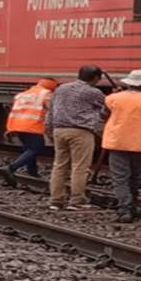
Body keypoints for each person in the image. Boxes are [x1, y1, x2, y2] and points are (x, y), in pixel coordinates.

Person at [101, 69, 141, 222]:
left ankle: (125, 209)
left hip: (117, 142)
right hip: (140, 143)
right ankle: (133, 206)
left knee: (120, 178)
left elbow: (103, 115)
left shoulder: (112, 98)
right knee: (135, 176)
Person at [45, 65, 107, 210]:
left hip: (59, 130)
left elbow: (51, 110)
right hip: (81, 132)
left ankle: (55, 200)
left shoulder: (61, 89)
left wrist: (48, 129)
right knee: (80, 167)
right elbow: (108, 108)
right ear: (96, 78)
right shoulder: (93, 92)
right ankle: (77, 200)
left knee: (59, 166)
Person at [0, 78, 59, 184]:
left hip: (17, 125)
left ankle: (32, 172)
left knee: (29, 149)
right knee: (36, 149)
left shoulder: (24, 93)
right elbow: (51, 111)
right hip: (33, 126)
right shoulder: (47, 94)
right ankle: (11, 168)